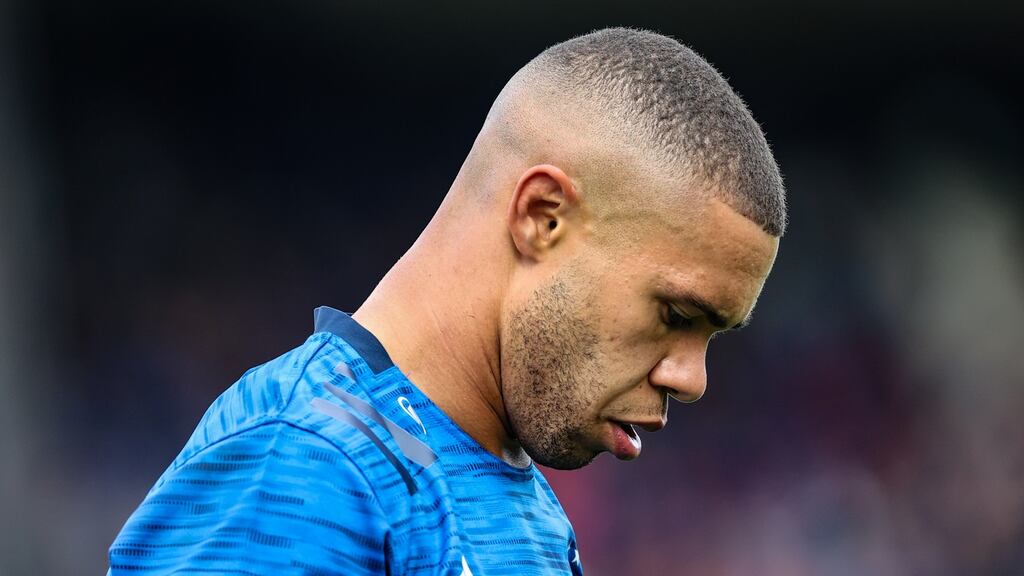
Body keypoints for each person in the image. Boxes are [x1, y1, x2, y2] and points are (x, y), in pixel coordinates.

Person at [109, 27, 786, 575]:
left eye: (714, 335)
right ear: (542, 218)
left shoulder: (531, 516)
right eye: (676, 315)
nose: (692, 379)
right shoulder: (302, 462)